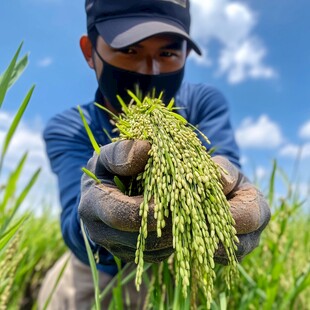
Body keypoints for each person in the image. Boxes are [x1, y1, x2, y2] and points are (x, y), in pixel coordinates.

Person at [38, 0, 271, 309]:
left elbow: (228, 169)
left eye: (168, 53)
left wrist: (233, 194)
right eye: (130, 50)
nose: (150, 71)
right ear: (89, 51)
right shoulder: (70, 128)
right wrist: (94, 223)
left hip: (183, 265)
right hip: (100, 272)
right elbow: (74, 222)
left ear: (186, 53)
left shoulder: (202, 103)